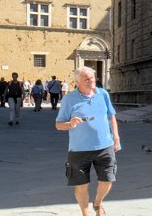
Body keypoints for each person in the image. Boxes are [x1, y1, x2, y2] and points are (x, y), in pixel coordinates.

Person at [54, 66, 119, 216]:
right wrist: (69, 124)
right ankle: (85, 213)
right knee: (81, 185)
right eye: (86, 79)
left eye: (92, 77)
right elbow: (58, 124)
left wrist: (116, 136)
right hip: (79, 150)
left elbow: (111, 116)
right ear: (77, 82)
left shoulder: (103, 94)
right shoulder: (69, 99)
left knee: (108, 180)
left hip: (105, 146)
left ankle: (98, 203)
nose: (91, 81)